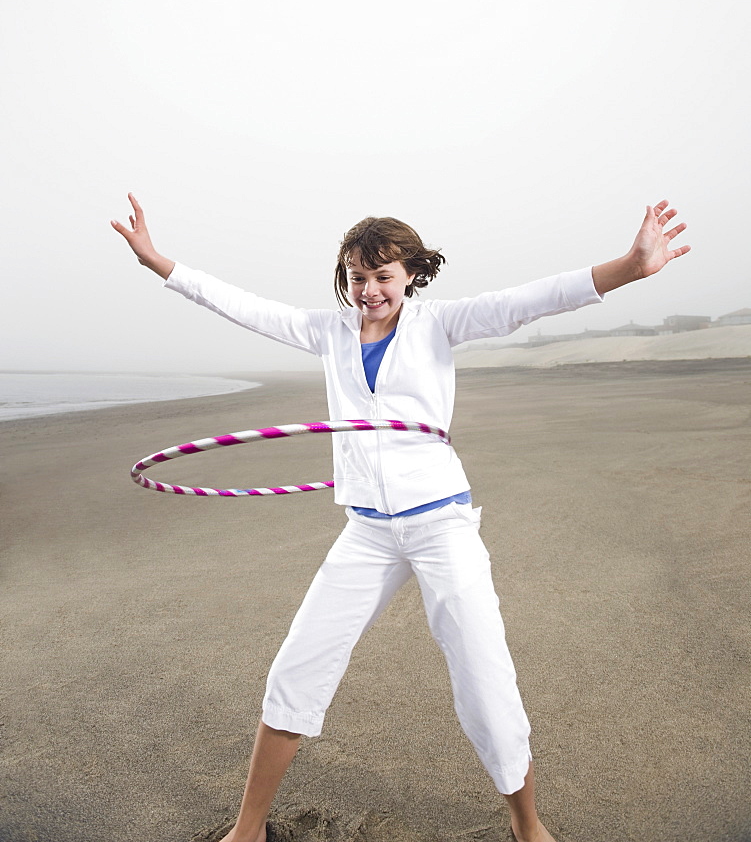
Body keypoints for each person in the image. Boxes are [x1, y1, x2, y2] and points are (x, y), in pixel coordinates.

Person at [112, 195, 690, 842]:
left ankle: (528, 828)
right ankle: (247, 831)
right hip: (365, 530)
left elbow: (530, 299)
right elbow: (245, 307)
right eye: (356, 276)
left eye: (382, 276)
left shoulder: (439, 325)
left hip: (441, 524)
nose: (368, 290)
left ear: (410, 274)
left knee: (485, 682)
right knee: (294, 671)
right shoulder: (326, 331)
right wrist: (160, 263)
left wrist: (631, 266)